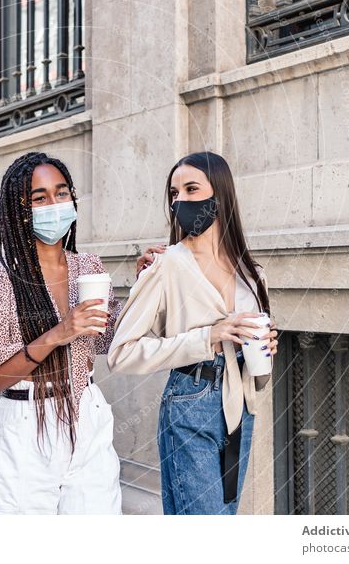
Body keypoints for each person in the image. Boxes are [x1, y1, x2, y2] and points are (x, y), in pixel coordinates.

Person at [107, 151, 279, 514]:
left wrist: (265, 346)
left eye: (190, 189)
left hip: (240, 406)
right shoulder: (167, 264)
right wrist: (208, 337)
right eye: (174, 193)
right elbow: (121, 352)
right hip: (189, 402)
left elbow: (255, 355)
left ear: (221, 194)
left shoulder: (253, 273)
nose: (179, 201)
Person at [0, 151, 123, 514]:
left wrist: (149, 284)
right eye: (40, 197)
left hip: (88, 419)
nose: (55, 204)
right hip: (25, 427)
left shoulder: (89, 268)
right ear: (21, 209)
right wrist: (57, 333)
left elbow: (109, 340)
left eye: (62, 193)